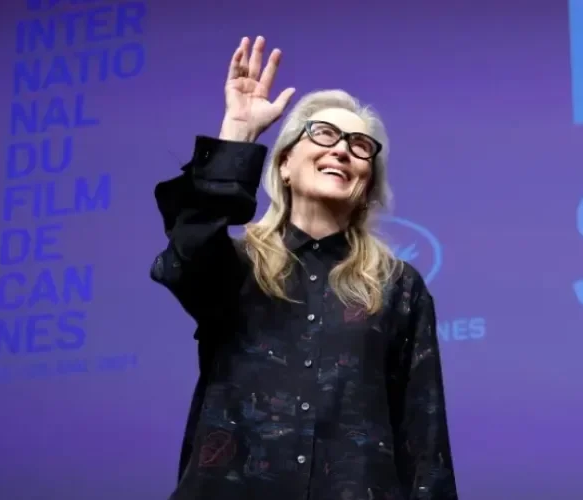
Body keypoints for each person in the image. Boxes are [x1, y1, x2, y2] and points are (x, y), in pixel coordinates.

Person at [150, 35, 459, 500]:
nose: (342, 150)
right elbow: (185, 254)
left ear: (367, 182)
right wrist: (237, 131)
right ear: (285, 163)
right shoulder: (235, 263)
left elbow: (424, 434)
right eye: (324, 134)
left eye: (360, 146)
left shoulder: (398, 286)